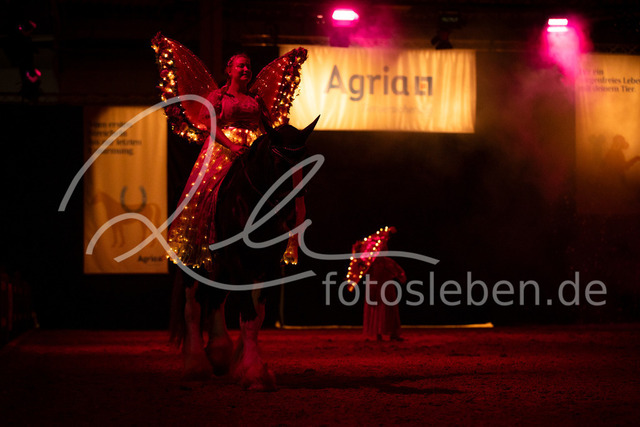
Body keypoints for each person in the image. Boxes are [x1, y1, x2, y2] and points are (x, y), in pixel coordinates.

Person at [166, 53, 267, 271]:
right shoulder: (218, 96)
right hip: (224, 148)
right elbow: (210, 124)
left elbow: (264, 127)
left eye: (248, 66)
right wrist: (231, 145)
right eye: (241, 66)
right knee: (205, 191)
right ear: (229, 70)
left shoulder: (256, 99)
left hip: (251, 148)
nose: (246, 69)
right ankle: (203, 239)